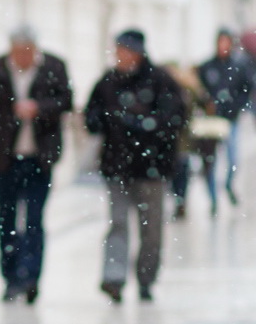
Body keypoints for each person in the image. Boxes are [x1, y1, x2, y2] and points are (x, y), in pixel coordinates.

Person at [0, 24, 73, 303]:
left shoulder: (54, 67)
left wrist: (39, 108)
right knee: (6, 220)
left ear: (36, 49)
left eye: (29, 52)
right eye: (19, 52)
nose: (24, 57)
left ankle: (31, 277)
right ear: (11, 50)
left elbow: (66, 102)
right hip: (6, 158)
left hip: (40, 157)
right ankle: (11, 279)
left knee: (34, 219)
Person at [84, 29, 186, 302]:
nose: (119, 57)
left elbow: (175, 118)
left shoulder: (161, 81)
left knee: (150, 228)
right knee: (118, 222)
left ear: (137, 53)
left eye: (124, 51)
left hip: (151, 168)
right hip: (117, 166)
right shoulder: (108, 82)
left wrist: (143, 125)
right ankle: (114, 277)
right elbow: (91, 117)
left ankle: (146, 277)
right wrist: (106, 120)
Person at [195, 27, 254, 206]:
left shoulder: (239, 67)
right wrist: (207, 102)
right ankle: (213, 198)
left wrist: (236, 106)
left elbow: (247, 89)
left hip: (231, 119)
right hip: (212, 121)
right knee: (210, 161)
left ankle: (228, 184)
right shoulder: (207, 67)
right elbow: (199, 90)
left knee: (233, 159)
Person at [165, 63, 222, 219]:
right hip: (168, 139)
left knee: (182, 169)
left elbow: (206, 104)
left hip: (184, 138)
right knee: (175, 171)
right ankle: (178, 200)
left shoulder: (188, 90)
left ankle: (181, 201)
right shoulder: (164, 89)